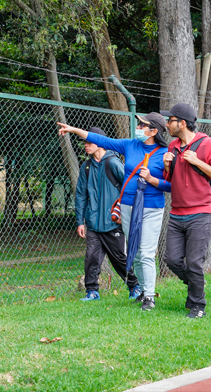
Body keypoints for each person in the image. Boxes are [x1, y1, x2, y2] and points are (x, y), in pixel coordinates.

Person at [57, 113, 170, 311]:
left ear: (153, 131)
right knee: (134, 252)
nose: (138, 127)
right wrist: (74, 130)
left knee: (145, 253)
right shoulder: (130, 145)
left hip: (151, 207)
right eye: (139, 123)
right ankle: (141, 291)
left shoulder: (165, 153)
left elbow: (172, 185)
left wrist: (153, 180)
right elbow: (101, 140)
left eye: (143, 125)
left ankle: (149, 297)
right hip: (127, 206)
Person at [160, 104, 211, 319]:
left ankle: (198, 305)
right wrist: (167, 167)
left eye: (170, 120)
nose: (167, 124)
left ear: (182, 123)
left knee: (195, 262)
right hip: (176, 214)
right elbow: (169, 181)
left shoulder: (207, 143)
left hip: (200, 213)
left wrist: (197, 161)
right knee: (171, 260)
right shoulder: (172, 147)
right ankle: (196, 284)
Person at [74, 127, 141, 301]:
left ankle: (134, 287)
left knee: (119, 258)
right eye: (85, 143)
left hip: (113, 222)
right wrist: (80, 221)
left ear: (100, 142)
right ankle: (92, 291)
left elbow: (129, 187)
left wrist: (122, 210)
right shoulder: (86, 166)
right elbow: (81, 194)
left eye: (89, 142)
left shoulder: (113, 163)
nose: (86, 146)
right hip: (93, 223)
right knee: (91, 258)